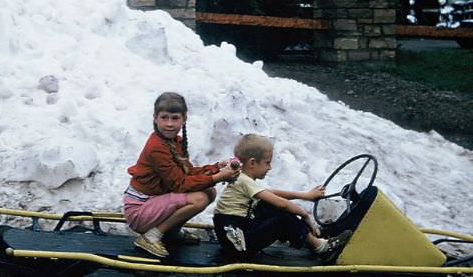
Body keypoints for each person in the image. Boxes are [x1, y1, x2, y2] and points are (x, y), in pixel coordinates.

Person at [124, 92, 240, 258]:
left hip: (153, 203)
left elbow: (187, 173)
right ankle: (151, 237)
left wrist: (216, 168)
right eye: (164, 118)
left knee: (209, 191)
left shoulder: (172, 142)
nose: (169, 124)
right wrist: (219, 177)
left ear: (184, 119)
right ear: (155, 118)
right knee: (199, 198)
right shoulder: (157, 147)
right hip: (139, 210)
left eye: (175, 118)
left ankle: (171, 232)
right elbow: (180, 184)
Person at [213, 134, 352, 261]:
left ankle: (310, 237)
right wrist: (306, 216)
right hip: (239, 247)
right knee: (281, 215)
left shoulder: (241, 179)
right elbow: (281, 203)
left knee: (269, 205)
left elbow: (271, 194)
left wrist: (306, 196)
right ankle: (321, 248)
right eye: (267, 162)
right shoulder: (245, 181)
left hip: (233, 237)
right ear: (252, 163)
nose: (270, 167)